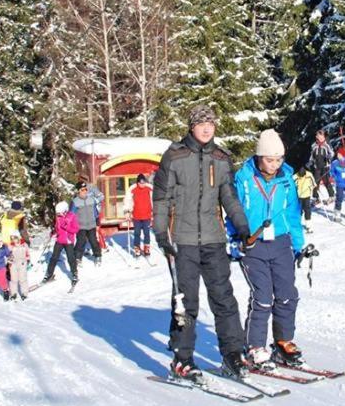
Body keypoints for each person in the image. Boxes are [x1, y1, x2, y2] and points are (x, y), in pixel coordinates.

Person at [153, 105, 253, 382]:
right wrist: (162, 234)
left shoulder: (221, 159)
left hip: (213, 239)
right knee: (186, 303)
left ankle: (233, 354)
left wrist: (241, 225)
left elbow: (229, 198)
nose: (207, 128)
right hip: (182, 241)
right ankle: (182, 359)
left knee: (224, 299)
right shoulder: (174, 157)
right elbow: (161, 199)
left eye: (211, 123)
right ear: (192, 126)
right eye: (202, 123)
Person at [226, 129, 307, 370]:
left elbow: (293, 212)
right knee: (262, 298)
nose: (274, 165)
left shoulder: (286, 179)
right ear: (259, 157)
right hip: (253, 242)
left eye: (278, 159)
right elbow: (233, 211)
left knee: (287, 294)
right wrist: (234, 238)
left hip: (281, 242)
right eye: (269, 160)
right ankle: (255, 347)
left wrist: (298, 243)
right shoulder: (244, 178)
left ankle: (283, 341)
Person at [43, 201, 78, 287]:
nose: (58, 214)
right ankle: (49, 274)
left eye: (60, 212)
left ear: (65, 210)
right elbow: (57, 227)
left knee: (71, 258)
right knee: (54, 258)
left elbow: (76, 229)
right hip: (59, 240)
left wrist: (67, 227)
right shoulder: (58, 217)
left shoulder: (72, 216)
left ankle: (74, 274)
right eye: (58, 213)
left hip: (68, 241)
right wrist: (54, 232)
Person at [71, 181, 102, 265]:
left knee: (93, 241)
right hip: (80, 226)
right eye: (82, 190)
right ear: (78, 191)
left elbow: (95, 212)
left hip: (91, 225)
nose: (85, 191)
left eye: (86, 189)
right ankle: (77, 258)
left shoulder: (91, 200)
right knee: (81, 242)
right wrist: (72, 226)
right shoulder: (75, 202)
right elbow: (71, 215)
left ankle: (98, 256)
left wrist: (97, 222)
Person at [125, 173, 154, 256]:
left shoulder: (149, 188)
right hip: (137, 216)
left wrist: (156, 210)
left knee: (147, 232)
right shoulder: (133, 189)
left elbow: (154, 200)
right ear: (137, 183)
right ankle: (137, 248)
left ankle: (146, 247)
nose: (142, 185)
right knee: (137, 233)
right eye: (141, 183)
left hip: (147, 215)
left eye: (144, 183)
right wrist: (127, 211)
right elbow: (128, 200)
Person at [307, 131, 335, 203]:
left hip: (325, 166)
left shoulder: (327, 145)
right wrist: (310, 162)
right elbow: (312, 155)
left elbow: (332, 153)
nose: (319, 138)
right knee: (315, 182)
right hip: (317, 166)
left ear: (323, 137)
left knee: (327, 181)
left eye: (321, 136)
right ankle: (316, 198)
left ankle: (332, 196)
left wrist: (329, 156)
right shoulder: (314, 145)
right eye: (318, 136)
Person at [7, 231, 31, 301]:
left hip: (22, 263)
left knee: (22, 279)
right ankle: (13, 293)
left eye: (14, 238)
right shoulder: (10, 246)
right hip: (13, 264)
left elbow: (27, 253)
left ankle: (24, 293)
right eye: (12, 238)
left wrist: (28, 260)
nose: (13, 240)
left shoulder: (24, 245)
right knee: (13, 279)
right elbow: (8, 255)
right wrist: (9, 261)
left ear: (18, 237)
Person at [294, 166, 316, 233]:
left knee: (307, 210)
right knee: (298, 211)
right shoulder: (295, 176)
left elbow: (314, 184)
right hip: (299, 196)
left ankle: (308, 226)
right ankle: (297, 225)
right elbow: (292, 186)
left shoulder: (309, 175)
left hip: (307, 196)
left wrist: (310, 187)